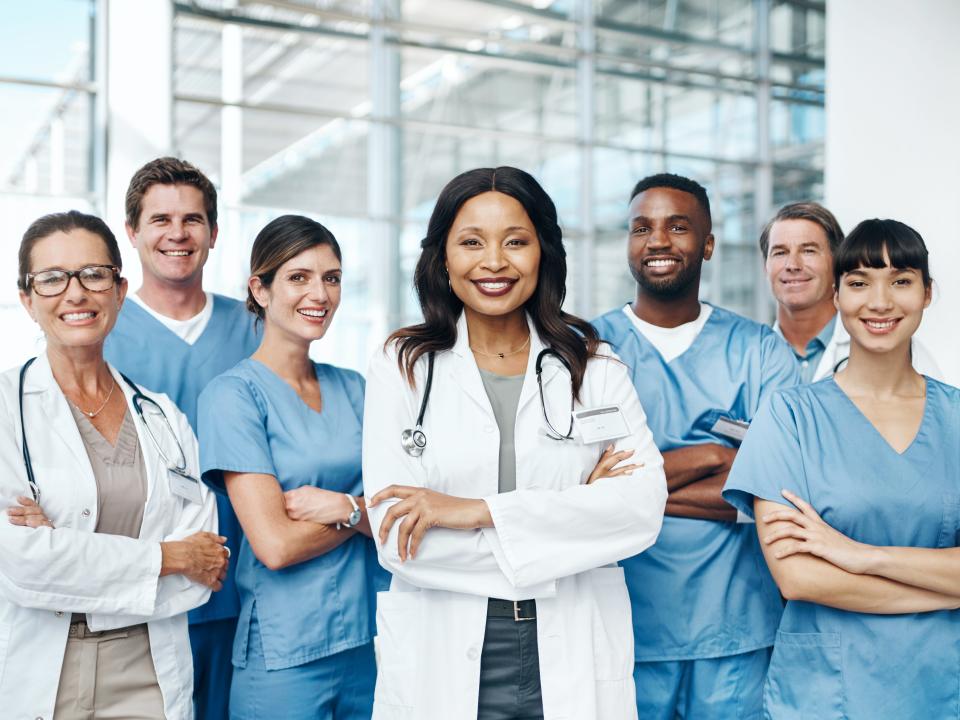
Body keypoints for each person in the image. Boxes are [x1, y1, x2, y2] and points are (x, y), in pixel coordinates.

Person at [363, 166, 668, 720]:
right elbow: (398, 538)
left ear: (543, 253)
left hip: (571, 643)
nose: (495, 262)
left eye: (516, 242)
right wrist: (574, 516)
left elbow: (641, 510)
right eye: (472, 242)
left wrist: (473, 512)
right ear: (443, 258)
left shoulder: (593, 366)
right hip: (444, 645)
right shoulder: (403, 366)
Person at [724, 218, 960, 717]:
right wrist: (946, 592)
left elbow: (834, 566)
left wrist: (858, 555)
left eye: (900, 281)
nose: (879, 302)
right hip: (825, 696)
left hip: (940, 688)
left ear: (927, 293)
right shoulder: (787, 416)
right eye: (859, 283)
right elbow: (799, 578)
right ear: (836, 296)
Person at [0, 210, 228, 720]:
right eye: (52, 279)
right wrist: (167, 558)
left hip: (150, 668)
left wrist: (65, 547)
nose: (76, 293)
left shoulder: (163, 415)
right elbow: (22, 564)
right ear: (27, 300)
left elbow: (205, 562)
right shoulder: (5, 410)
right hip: (44, 671)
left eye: (94, 274)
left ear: (120, 291)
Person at [591, 173, 801, 719]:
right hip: (625, 624)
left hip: (734, 630)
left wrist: (634, 491)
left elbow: (776, 489)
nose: (658, 240)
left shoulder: (760, 351)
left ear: (707, 244)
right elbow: (578, 484)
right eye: (642, 228)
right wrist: (716, 457)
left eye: (677, 227)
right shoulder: (586, 350)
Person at [198, 215, 384, 720]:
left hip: (369, 642)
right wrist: (360, 515)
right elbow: (275, 545)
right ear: (259, 288)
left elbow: (408, 511)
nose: (319, 293)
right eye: (298, 277)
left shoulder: (357, 389)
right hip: (283, 655)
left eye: (332, 277)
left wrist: (339, 507)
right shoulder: (233, 397)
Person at [104, 156, 260, 720]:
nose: (177, 234)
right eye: (160, 220)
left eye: (192, 220)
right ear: (133, 232)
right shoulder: (99, 330)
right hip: (139, 587)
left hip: (241, 584)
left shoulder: (255, 326)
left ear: (214, 233)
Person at [760, 201, 940, 380]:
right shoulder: (750, 356)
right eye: (780, 253)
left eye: (809, 251)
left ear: (837, 262)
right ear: (765, 266)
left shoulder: (909, 357)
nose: (792, 265)